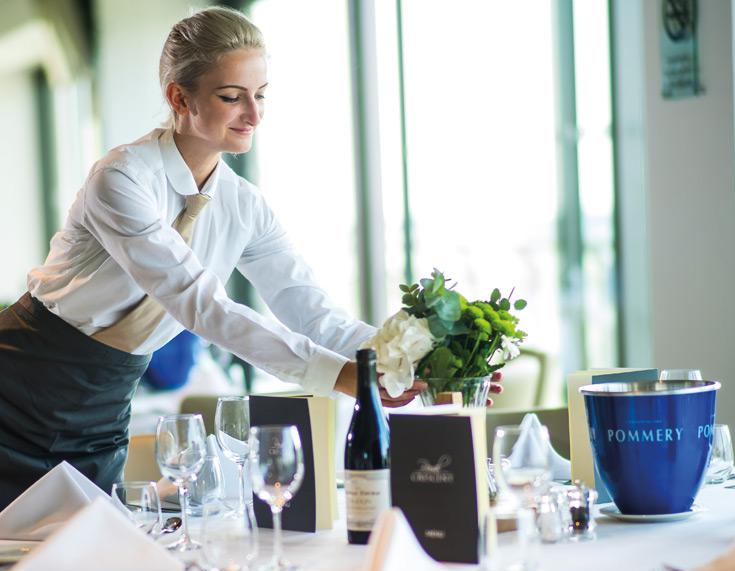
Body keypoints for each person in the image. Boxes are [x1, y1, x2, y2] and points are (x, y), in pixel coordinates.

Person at [0, 6, 425, 509]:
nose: (254, 114)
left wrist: (408, 362)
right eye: (232, 97)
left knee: (84, 560)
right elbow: (200, 304)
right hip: (22, 383)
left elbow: (311, 312)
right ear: (179, 96)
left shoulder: (243, 205)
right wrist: (337, 375)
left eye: (261, 95)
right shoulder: (121, 179)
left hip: (104, 403)